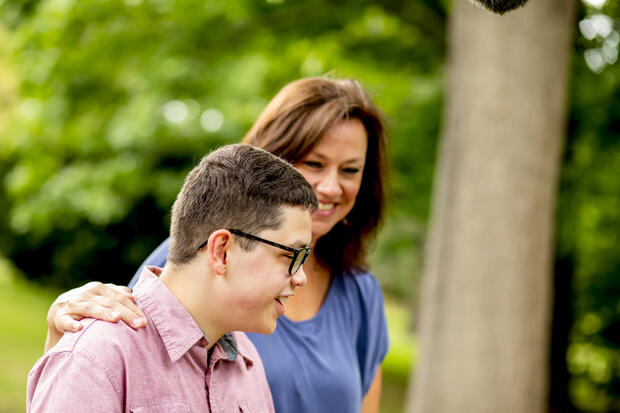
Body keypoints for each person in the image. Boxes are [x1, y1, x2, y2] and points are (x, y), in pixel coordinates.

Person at [44, 77, 390, 413]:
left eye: (350, 170)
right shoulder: (188, 264)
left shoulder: (356, 295)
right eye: (314, 163)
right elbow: (132, 354)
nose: (330, 187)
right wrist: (68, 334)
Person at [28, 144, 316, 412]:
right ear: (222, 251)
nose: (300, 277)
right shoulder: (94, 358)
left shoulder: (246, 360)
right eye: (291, 255)